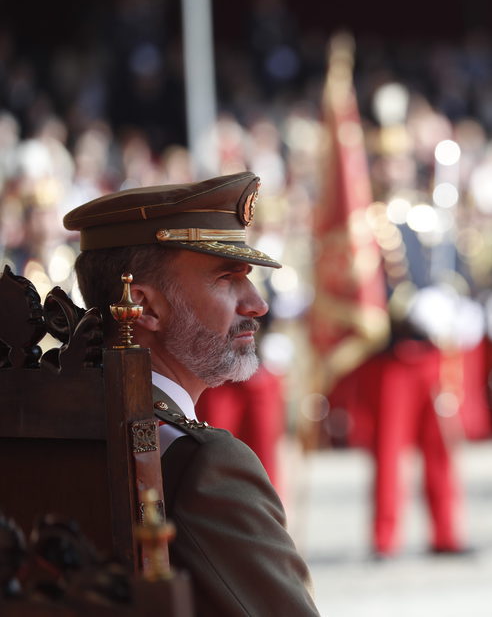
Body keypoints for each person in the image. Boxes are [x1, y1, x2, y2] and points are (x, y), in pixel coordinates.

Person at [64, 172, 319, 616]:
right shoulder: (206, 461)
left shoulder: (55, 418)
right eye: (227, 278)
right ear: (143, 305)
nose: (257, 303)